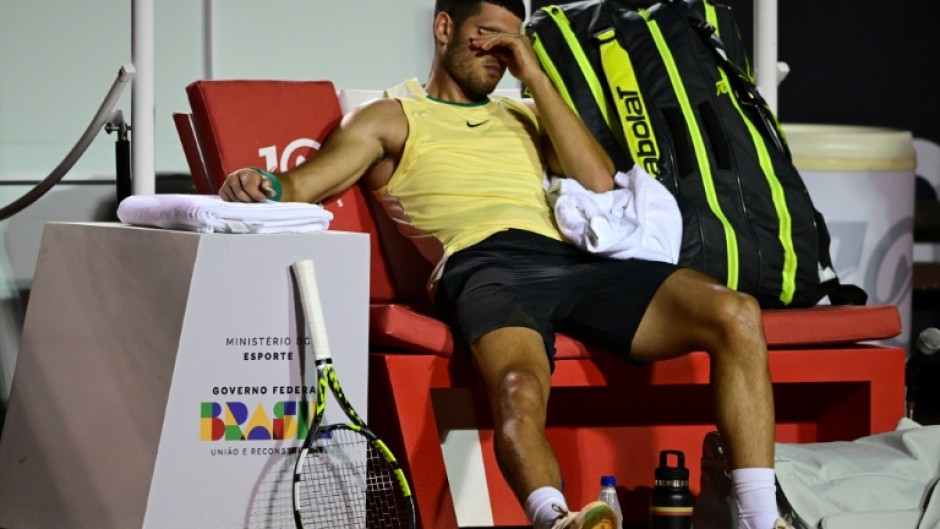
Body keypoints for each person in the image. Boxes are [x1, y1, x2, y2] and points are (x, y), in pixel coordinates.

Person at [220, 1, 791, 528]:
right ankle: (558, 520)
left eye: (509, 44)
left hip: (572, 261)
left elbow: (598, 181)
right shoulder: (391, 117)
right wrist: (260, 182)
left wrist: (536, 76)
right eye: (484, 38)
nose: (498, 54)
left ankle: (762, 521)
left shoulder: (522, 113)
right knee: (518, 390)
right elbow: (302, 181)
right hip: (483, 264)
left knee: (735, 313)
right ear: (445, 29)